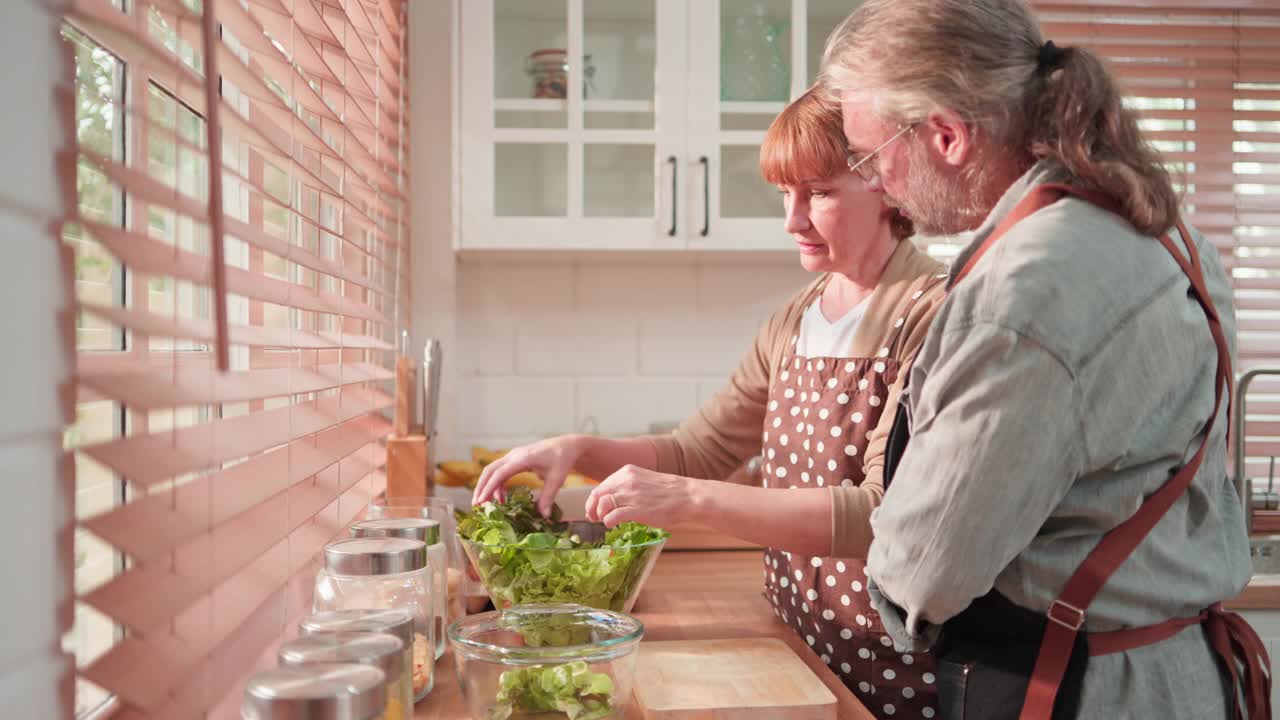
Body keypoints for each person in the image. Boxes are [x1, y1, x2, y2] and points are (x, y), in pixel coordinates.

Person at [819, 1, 1269, 718]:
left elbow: (929, 568)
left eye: (870, 156)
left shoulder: (1023, 290)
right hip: (1174, 676)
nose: (873, 181)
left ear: (947, 135)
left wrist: (889, 587)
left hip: (1072, 689)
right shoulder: (1157, 226)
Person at [472, 87, 948, 718]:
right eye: (786, 193)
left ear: (888, 185)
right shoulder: (796, 319)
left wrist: (691, 501)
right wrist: (578, 448)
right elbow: (701, 448)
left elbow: (882, 518)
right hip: (797, 646)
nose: (792, 218)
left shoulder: (931, 315)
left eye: (820, 192)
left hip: (889, 668)